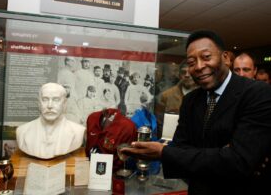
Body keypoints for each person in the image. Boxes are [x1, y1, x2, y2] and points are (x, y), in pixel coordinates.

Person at [121, 30, 271, 195]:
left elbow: (239, 161)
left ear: (226, 58)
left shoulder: (257, 93)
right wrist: (221, 152)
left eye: (206, 57)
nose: (199, 67)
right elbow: (180, 148)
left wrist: (167, 153)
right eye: (191, 62)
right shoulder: (191, 100)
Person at [16, 83, 85, 159]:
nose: (50, 105)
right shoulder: (22, 132)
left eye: (56, 100)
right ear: (39, 103)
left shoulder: (78, 131)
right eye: (45, 99)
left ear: (64, 104)